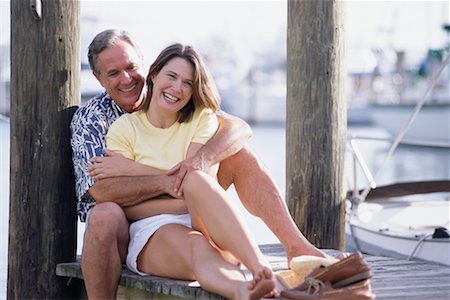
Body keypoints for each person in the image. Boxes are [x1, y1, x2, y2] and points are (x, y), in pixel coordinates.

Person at [70, 29, 330, 299]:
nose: (127, 79)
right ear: (98, 78)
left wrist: (197, 162)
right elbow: (102, 191)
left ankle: (295, 248)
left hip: (195, 204)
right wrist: (178, 183)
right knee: (108, 215)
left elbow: (237, 128)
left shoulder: (177, 99)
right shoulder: (97, 120)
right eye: (113, 73)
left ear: (147, 67)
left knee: (236, 156)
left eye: (131, 67)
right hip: (128, 219)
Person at [100, 42, 280, 299]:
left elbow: (192, 185)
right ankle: (243, 291)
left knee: (196, 180)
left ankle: (260, 268)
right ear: (154, 75)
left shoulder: (201, 117)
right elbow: (125, 205)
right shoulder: (124, 129)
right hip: (153, 229)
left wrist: (134, 170)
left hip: (208, 220)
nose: (177, 88)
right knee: (197, 246)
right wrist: (183, 200)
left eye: (187, 83)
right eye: (171, 76)